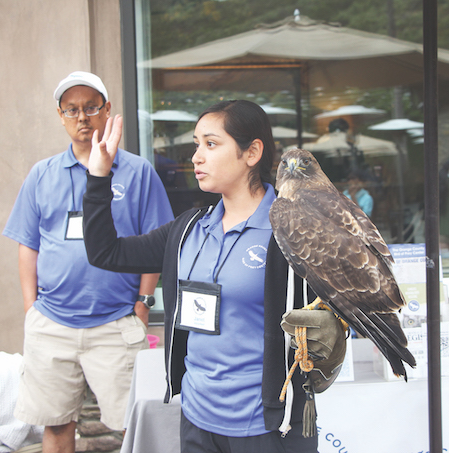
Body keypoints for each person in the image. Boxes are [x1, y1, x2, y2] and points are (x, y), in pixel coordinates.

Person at [83, 100, 321, 452]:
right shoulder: (188, 230)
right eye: (196, 144)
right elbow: (106, 252)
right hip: (197, 419)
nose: (196, 156)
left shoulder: (292, 231)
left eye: (211, 144)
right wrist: (99, 177)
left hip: (267, 425)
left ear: (252, 152)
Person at [2, 71, 174, 453]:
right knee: (57, 427)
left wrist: (144, 304)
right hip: (52, 324)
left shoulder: (138, 172)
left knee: (135, 426)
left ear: (107, 110)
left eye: (91, 107)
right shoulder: (41, 175)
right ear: (60, 116)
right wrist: (31, 308)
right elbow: (27, 245)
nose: (82, 117)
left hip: (116, 322)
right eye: (72, 109)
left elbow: (156, 243)